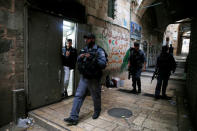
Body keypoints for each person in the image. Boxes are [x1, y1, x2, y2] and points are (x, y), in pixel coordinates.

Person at [64, 33, 107, 125]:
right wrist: (81, 56)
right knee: (78, 95)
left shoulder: (99, 50)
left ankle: (97, 110)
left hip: (94, 78)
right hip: (84, 76)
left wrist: (92, 58)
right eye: (85, 39)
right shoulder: (84, 49)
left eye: (87, 39)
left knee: (95, 96)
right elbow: (78, 59)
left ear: (92, 39)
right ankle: (73, 117)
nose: (85, 41)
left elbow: (103, 64)